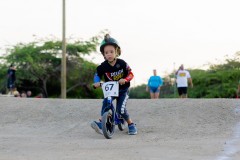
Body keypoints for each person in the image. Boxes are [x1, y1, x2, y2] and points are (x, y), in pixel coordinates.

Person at [91, 34, 137, 135]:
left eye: (111, 52)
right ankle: (101, 122)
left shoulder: (122, 63)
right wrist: (96, 82)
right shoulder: (103, 66)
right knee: (106, 103)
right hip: (111, 90)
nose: (109, 54)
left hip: (123, 90)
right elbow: (97, 75)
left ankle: (131, 124)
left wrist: (125, 79)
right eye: (106, 52)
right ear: (103, 54)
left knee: (120, 109)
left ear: (117, 52)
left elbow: (131, 74)